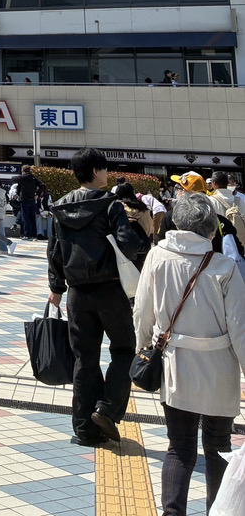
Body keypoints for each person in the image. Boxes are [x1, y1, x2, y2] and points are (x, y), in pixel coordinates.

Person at [133, 191, 245, 516]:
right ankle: (218, 511)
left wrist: (142, 348)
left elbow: (142, 312)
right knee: (218, 446)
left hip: (175, 366)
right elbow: (240, 327)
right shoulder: (224, 267)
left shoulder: (156, 257)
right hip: (219, 371)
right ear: (211, 229)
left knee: (180, 449)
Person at [47, 146, 140, 446]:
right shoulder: (110, 205)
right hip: (109, 290)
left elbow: (54, 251)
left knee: (84, 358)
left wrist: (56, 289)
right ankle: (107, 409)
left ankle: (85, 429)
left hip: (77, 294)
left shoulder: (60, 207)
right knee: (124, 349)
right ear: (97, 171)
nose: (108, 173)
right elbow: (129, 244)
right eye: (105, 168)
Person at [114, 182, 152, 270]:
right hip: (139, 249)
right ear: (132, 192)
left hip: (119, 248)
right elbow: (149, 228)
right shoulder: (142, 208)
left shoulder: (115, 207)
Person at [17, 164, 40, 239]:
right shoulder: (33, 178)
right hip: (32, 199)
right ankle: (34, 234)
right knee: (32, 217)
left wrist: (18, 194)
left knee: (25, 217)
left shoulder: (22, 178)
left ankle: (27, 234)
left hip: (24, 199)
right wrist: (38, 194)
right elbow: (42, 185)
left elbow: (18, 187)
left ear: (23, 171)